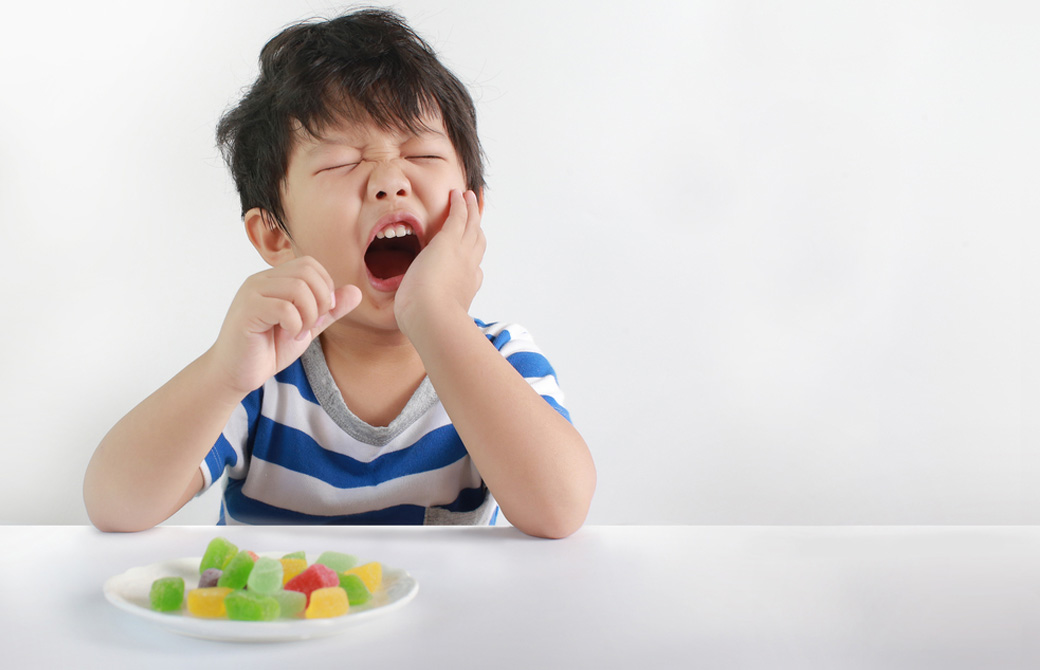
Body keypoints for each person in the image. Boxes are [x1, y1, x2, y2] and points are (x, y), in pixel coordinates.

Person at [83, 8, 596, 539]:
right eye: (340, 163)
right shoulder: (262, 371)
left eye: (420, 152)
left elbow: (558, 510)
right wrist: (223, 373)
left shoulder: (501, 360)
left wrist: (437, 316)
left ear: (472, 210)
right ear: (275, 236)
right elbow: (115, 506)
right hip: (285, 621)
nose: (390, 180)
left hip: (446, 624)